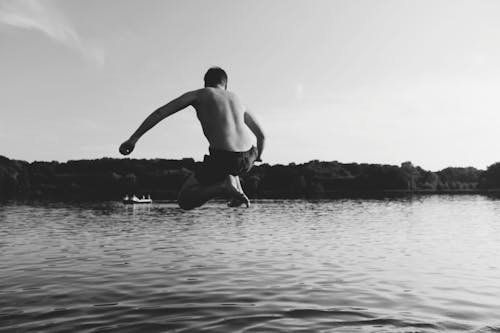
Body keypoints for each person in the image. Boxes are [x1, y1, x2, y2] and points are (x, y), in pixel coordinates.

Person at [119, 67, 265, 210]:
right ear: (225, 85)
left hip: (225, 158)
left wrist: (134, 139)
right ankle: (234, 186)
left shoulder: (199, 94)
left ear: (205, 83)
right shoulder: (237, 99)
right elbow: (261, 135)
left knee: (185, 200)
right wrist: (258, 157)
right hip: (250, 155)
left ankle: (223, 188)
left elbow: (160, 112)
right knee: (231, 163)